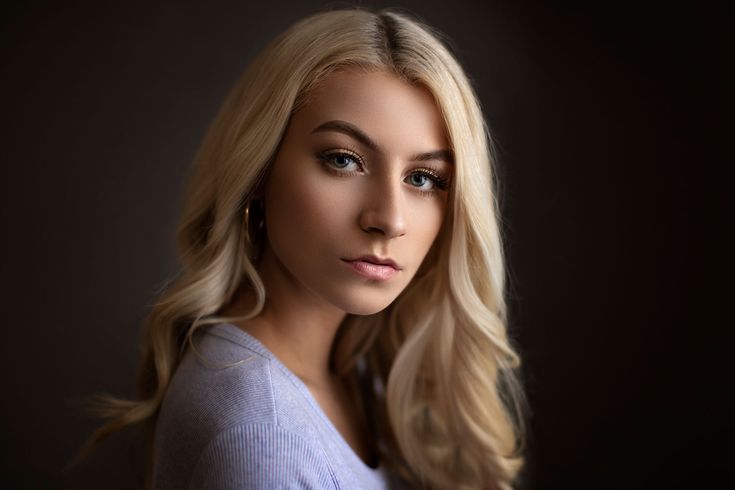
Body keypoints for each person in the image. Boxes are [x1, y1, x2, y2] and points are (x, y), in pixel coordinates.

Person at [82, 7, 526, 490]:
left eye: (423, 178)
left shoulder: (362, 377)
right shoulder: (259, 438)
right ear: (258, 172)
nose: (389, 219)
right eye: (344, 160)